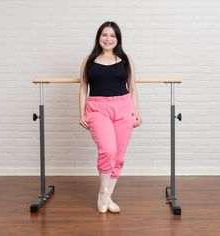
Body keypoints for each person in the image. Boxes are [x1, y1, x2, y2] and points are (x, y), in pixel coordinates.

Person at [79, 21, 142, 214]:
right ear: (99, 37)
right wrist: (81, 112)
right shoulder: (89, 59)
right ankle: (103, 190)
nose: (109, 39)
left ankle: (107, 196)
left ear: (118, 39)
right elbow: (83, 87)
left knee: (119, 155)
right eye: (105, 35)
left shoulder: (126, 59)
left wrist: (137, 112)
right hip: (98, 108)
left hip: (124, 107)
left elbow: (132, 88)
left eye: (113, 36)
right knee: (108, 149)